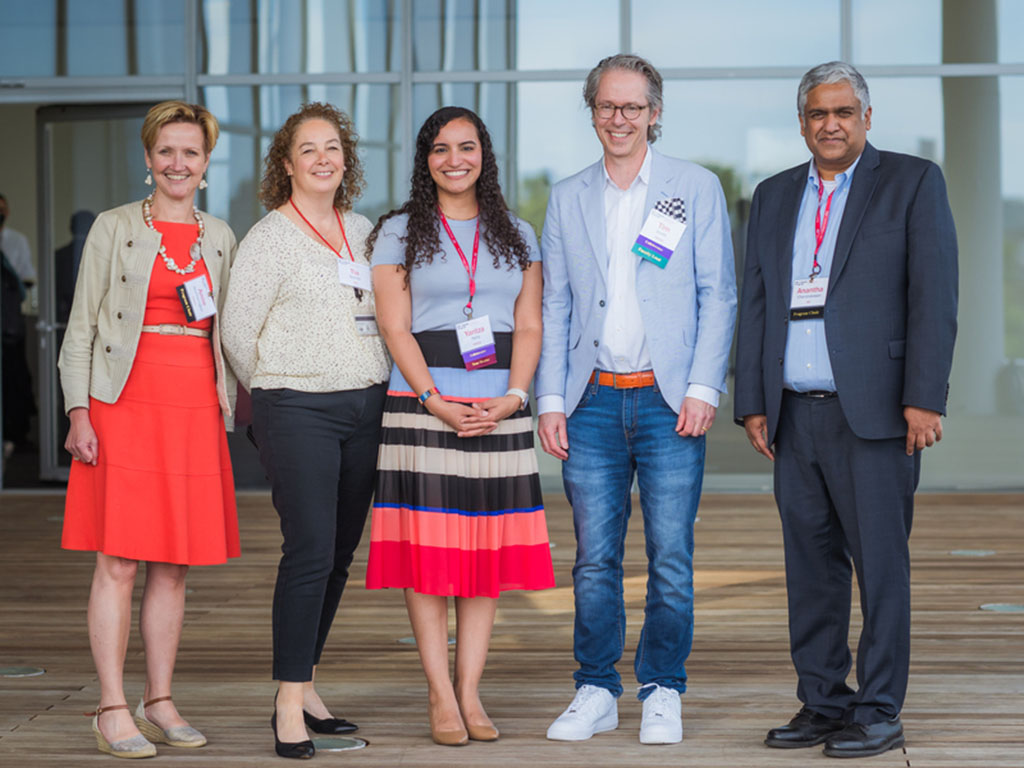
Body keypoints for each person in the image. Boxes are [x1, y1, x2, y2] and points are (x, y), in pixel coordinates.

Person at [733, 61, 958, 759]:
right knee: (811, 568)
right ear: (802, 122)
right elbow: (759, 301)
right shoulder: (772, 196)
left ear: (865, 117)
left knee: (881, 567)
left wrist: (924, 397)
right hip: (794, 415)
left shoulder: (912, 183)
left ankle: (880, 709)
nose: (829, 125)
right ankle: (823, 702)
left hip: (879, 415)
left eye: (842, 113)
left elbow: (935, 296)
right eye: (816, 114)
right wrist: (752, 402)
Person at [535, 54, 737, 745]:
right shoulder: (566, 197)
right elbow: (556, 303)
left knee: (672, 557)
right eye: (607, 107)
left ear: (655, 112)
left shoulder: (694, 187)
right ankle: (595, 687)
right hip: (590, 401)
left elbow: (720, 295)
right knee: (593, 558)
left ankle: (662, 688)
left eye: (632, 107)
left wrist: (705, 385)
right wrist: (550, 399)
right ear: (593, 112)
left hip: (669, 399)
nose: (619, 119)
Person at [365, 106, 555, 747]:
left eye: (466, 147)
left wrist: (516, 395)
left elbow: (528, 326)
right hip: (424, 405)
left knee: (484, 558)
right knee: (430, 558)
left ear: (484, 155)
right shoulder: (398, 232)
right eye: (441, 149)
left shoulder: (518, 233)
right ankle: (439, 694)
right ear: (426, 159)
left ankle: (471, 691)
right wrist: (433, 398)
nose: (455, 159)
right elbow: (395, 326)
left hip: (499, 406)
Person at [58, 101, 239, 759]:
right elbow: (81, 327)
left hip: (193, 407)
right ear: (147, 159)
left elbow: (231, 333)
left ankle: (158, 699)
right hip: (123, 403)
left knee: (174, 564)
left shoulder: (220, 235)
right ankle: (110, 706)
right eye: (166, 151)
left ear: (206, 162)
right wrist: (79, 410)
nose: (177, 163)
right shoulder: (113, 228)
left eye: (190, 152)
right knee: (119, 560)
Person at [220, 102, 390, 760]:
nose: (323, 158)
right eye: (308, 150)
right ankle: (288, 702)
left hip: (365, 406)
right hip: (297, 408)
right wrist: (275, 392)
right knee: (310, 550)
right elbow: (236, 334)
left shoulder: (363, 229)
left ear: (346, 159)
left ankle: (306, 683)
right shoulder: (268, 237)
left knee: (341, 554)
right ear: (285, 165)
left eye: (333, 147)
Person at [0, 192, 38, 458]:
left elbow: (27, 277)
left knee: (14, 376)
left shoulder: (16, 240)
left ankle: (16, 433)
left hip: (10, 319)